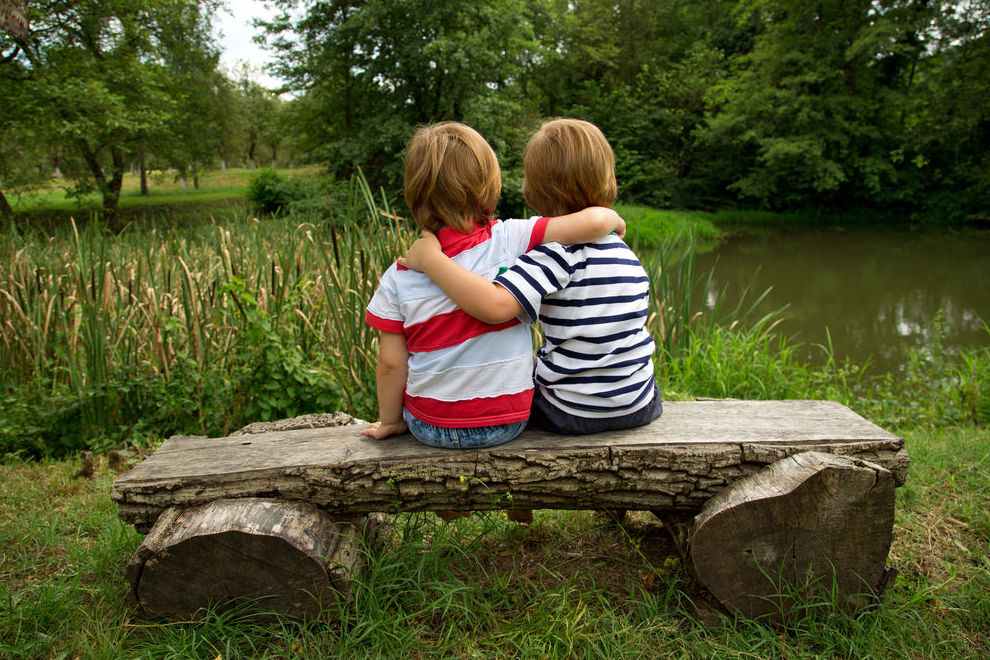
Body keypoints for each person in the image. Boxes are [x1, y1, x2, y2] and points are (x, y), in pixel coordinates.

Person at [361, 121, 625, 450]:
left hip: (429, 425)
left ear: (415, 194)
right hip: (508, 420)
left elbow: (390, 363)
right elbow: (595, 221)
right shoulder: (510, 237)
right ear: (489, 187)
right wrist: (615, 220)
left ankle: (443, 502)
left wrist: (391, 420)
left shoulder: (399, 274)